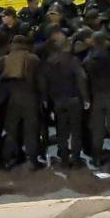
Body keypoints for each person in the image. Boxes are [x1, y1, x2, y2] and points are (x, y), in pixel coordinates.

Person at [0, 35, 42, 170]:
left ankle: (10, 158)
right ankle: (33, 160)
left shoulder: (5, 59)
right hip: (31, 99)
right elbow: (41, 82)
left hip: (12, 99)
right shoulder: (33, 59)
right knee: (31, 131)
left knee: (12, 131)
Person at [39, 33, 90, 168]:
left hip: (58, 101)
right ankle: (77, 159)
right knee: (76, 131)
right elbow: (81, 79)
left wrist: (46, 100)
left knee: (61, 131)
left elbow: (44, 83)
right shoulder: (73, 60)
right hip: (74, 100)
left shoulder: (49, 62)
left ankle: (64, 160)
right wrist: (85, 98)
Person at [83, 32, 110, 165]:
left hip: (97, 96)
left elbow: (85, 80)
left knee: (98, 128)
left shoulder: (88, 60)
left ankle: (97, 157)